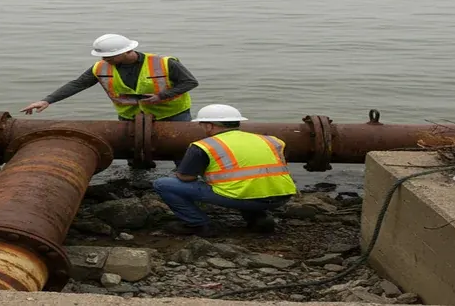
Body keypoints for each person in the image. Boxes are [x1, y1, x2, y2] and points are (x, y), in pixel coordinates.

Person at [152, 104, 297, 236]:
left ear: (209, 126)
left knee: (164, 184)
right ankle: (258, 218)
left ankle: (198, 224)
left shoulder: (203, 146)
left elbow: (186, 177)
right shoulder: (271, 140)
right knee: (247, 183)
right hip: (282, 197)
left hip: (244, 197)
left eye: (202, 125)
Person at [19, 33, 198, 122]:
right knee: (133, 151)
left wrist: (161, 96)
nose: (105, 60)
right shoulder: (101, 67)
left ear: (127, 51)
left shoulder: (165, 63)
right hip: (129, 117)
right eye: (102, 56)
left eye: (109, 56)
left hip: (172, 115)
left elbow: (190, 82)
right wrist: (47, 101)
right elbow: (78, 84)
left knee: (179, 150)